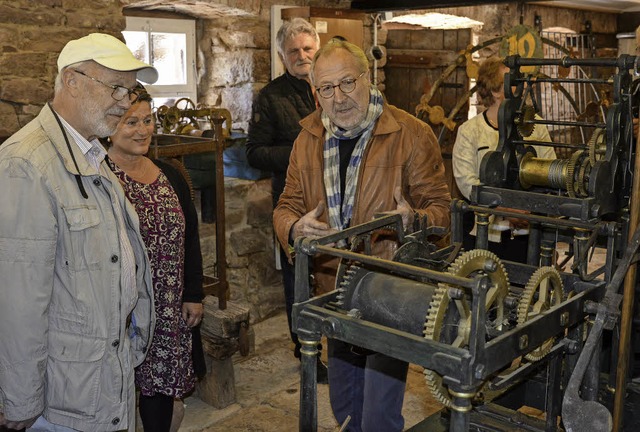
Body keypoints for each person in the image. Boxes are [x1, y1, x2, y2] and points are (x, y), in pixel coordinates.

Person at [273, 40, 451, 432]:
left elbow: (442, 210)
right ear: (315, 92)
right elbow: (286, 205)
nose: (338, 98)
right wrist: (293, 227)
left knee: (379, 416)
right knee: (344, 406)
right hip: (332, 287)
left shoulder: (412, 133)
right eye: (326, 89)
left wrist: (416, 220)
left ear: (367, 79)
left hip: (389, 293)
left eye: (348, 83)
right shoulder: (308, 139)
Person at [0, 33, 157, 431]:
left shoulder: (91, 153)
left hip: (101, 375)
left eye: (131, 89)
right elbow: (19, 302)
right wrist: (20, 400)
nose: (125, 101)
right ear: (72, 81)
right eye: (116, 88)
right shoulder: (26, 164)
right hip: (63, 397)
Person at [104, 87, 205, 432]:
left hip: (167, 304)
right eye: (131, 121)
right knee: (117, 389)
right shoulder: (100, 178)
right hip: (123, 308)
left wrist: (194, 293)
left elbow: (190, 237)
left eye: (148, 120)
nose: (143, 129)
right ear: (110, 125)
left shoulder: (170, 174)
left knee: (159, 390)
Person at [245, 18, 327, 380]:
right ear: (282, 55)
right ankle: (307, 353)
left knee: (336, 273)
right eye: (293, 51)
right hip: (295, 200)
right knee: (298, 277)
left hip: (337, 195)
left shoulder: (330, 85)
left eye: (307, 48)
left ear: (317, 49)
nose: (302, 55)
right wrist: (299, 151)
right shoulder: (272, 96)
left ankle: (343, 344)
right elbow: (254, 153)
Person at [452, 56, 556, 262]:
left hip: (530, 235)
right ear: (495, 90)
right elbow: (467, 183)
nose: (524, 87)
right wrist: (507, 210)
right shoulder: (470, 132)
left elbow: (550, 172)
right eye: (514, 83)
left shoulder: (537, 127)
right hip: (484, 236)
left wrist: (531, 211)